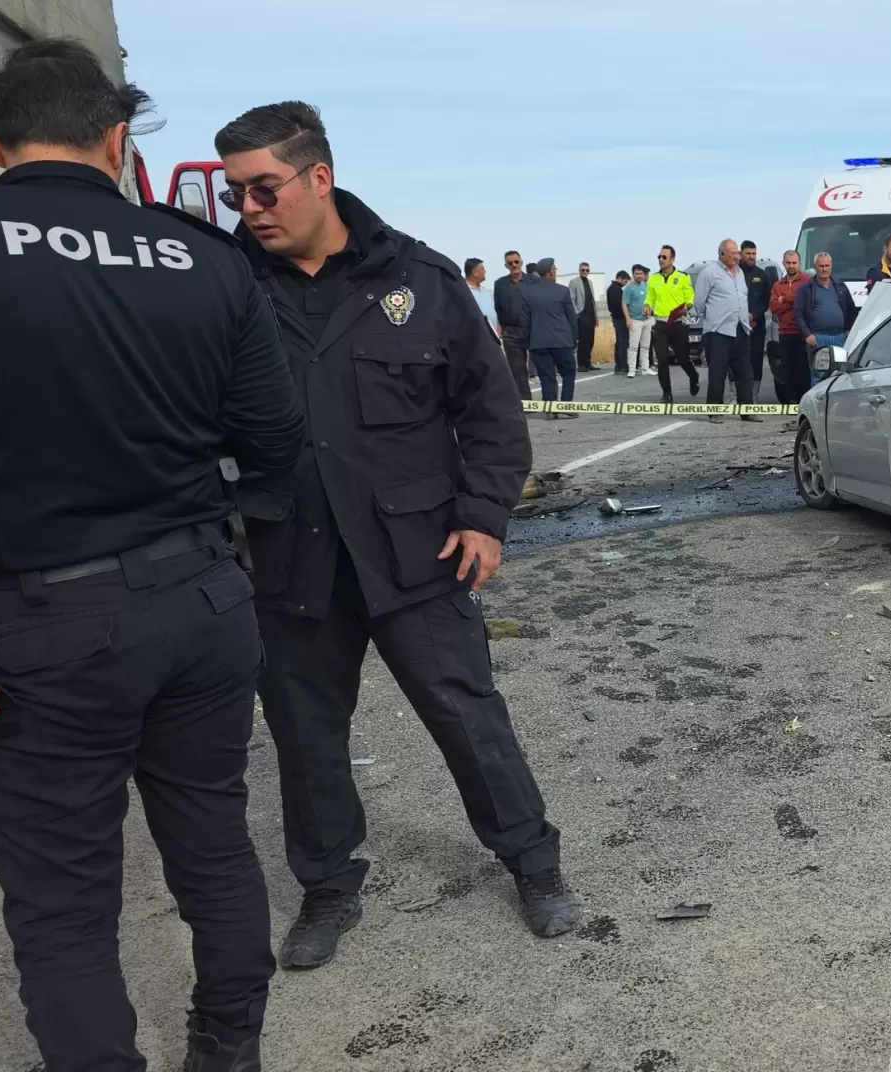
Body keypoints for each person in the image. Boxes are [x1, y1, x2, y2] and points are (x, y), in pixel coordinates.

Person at [0, 40, 306, 1072]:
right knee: (214, 842)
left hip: (43, 619)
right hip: (200, 597)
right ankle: (228, 1048)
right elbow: (275, 439)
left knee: (62, 903)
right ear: (115, 138)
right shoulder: (203, 255)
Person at [215, 101, 580, 970]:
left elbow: (491, 414)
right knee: (306, 736)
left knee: (467, 716)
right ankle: (327, 888)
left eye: (263, 188)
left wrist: (483, 518)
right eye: (236, 195)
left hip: (417, 551)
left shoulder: (418, 278)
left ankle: (534, 864)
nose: (250, 209)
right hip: (289, 556)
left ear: (319, 177)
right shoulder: (225, 288)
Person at [695, 239, 760, 425]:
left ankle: (747, 411)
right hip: (718, 332)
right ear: (721, 254)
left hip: (740, 329)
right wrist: (715, 317)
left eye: (738, 253)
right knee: (718, 374)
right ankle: (715, 411)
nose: (737, 256)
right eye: (733, 253)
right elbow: (699, 303)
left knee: (745, 375)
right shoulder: (709, 273)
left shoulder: (740, 273)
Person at [520, 259, 580, 414]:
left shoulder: (528, 292)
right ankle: (566, 406)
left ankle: (550, 408)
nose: (556, 271)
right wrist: (574, 339)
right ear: (549, 273)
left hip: (538, 342)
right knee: (568, 372)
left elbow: (525, 321)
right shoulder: (562, 291)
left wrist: (528, 342)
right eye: (554, 269)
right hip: (562, 341)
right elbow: (571, 318)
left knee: (547, 376)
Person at [644, 245, 699, 402]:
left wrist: (687, 306)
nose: (661, 260)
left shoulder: (683, 277)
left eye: (664, 257)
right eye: (659, 257)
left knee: (682, 358)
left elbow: (690, 296)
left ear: (672, 259)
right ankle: (667, 393)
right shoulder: (654, 278)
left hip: (678, 323)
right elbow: (650, 297)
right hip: (661, 323)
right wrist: (647, 305)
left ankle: (693, 376)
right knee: (662, 359)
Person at [795, 253, 857, 386]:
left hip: (840, 338)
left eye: (827, 266)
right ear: (815, 267)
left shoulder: (840, 286)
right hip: (818, 338)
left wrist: (849, 330)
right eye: (821, 266)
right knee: (819, 376)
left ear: (831, 266)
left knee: (840, 375)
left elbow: (851, 309)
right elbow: (798, 313)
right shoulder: (807, 288)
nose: (824, 269)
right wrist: (807, 334)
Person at [768, 250, 812, 404]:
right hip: (785, 333)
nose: (791, 266)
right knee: (788, 370)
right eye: (788, 263)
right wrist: (792, 302)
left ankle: (804, 402)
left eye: (794, 263)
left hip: (804, 332)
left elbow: (805, 300)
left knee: (804, 369)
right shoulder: (777, 285)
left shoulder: (807, 280)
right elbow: (774, 307)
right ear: (783, 263)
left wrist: (785, 299)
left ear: (799, 263)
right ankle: (792, 402)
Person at [493, 250, 532, 400]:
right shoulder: (500, 284)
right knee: (517, 368)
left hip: (533, 329)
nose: (514, 265)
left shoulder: (533, 281)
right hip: (511, 332)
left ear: (521, 262)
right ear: (506, 266)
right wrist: (502, 328)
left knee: (542, 365)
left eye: (516, 262)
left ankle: (550, 401)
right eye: (510, 263)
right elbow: (498, 307)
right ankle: (525, 401)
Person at [739, 240, 773, 399]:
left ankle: (754, 397)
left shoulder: (761, 274)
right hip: (736, 325)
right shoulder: (734, 272)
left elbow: (766, 299)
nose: (751, 256)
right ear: (741, 254)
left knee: (756, 360)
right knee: (737, 361)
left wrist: (754, 315)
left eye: (754, 253)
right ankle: (736, 396)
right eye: (748, 253)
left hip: (756, 325)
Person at [622, 263, 654, 378]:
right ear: (633, 274)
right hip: (635, 320)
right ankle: (632, 369)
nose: (639, 276)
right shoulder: (629, 288)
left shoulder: (646, 286)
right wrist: (627, 319)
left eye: (640, 273)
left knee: (645, 346)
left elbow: (651, 301)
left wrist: (650, 311)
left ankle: (645, 368)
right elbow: (624, 304)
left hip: (647, 320)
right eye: (636, 273)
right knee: (633, 346)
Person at [567, 262, 598, 370]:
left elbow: (592, 300)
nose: (585, 272)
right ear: (579, 270)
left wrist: (596, 317)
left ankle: (587, 362)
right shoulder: (574, 282)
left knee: (590, 339)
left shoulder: (590, 282)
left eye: (587, 270)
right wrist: (577, 313)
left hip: (591, 314)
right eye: (583, 270)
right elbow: (571, 299)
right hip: (581, 314)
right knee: (582, 340)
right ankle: (581, 364)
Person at [464, 257, 499, 338]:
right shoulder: (464, 291)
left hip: (491, 337)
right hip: (474, 337)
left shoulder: (484, 291)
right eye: (482, 269)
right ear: (475, 273)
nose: (485, 271)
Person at [606, 269, 629, 375]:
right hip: (619, 318)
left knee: (620, 342)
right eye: (625, 281)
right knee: (623, 342)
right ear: (620, 278)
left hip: (616, 318)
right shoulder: (615, 290)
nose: (625, 284)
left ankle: (619, 365)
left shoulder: (613, 288)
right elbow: (620, 305)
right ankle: (622, 365)